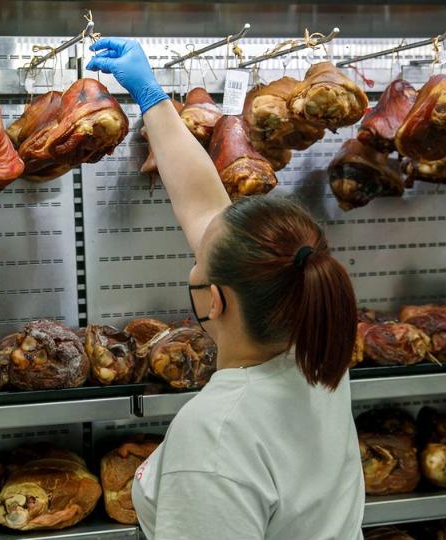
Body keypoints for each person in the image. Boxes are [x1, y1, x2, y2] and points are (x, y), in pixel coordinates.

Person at [86, 38, 364, 539]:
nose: (198, 242)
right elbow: (203, 208)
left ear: (214, 300)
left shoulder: (215, 437)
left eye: (199, 257)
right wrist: (152, 99)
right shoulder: (317, 359)